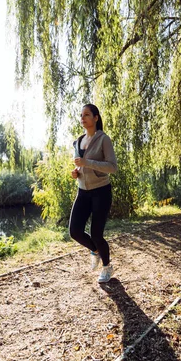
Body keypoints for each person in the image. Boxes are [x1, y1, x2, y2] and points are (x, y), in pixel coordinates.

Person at [69, 104, 118, 283]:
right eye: (81, 115)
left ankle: (107, 267)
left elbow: (112, 167)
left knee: (97, 234)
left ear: (96, 118)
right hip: (83, 191)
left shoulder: (104, 139)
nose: (83, 118)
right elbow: (80, 165)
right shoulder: (78, 141)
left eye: (87, 115)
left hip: (101, 192)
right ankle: (95, 250)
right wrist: (76, 172)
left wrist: (87, 162)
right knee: (74, 231)